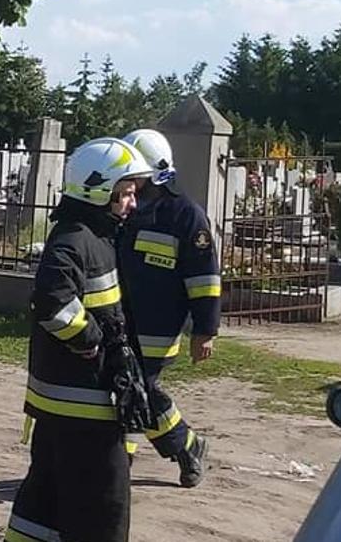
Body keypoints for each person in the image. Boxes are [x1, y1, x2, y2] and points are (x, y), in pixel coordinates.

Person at [6, 137, 154, 542]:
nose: (132, 203)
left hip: (64, 407)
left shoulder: (92, 236)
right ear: (98, 190)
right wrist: (90, 340)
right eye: (124, 194)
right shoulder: (76, 240)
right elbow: (52, 301)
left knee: (45, 501)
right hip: (86, 409)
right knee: (102, 510)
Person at [118, 128, 218, 487]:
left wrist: (205, 330)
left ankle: (187, 446)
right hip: (120, 322)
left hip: (159, 327)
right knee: (125, 389)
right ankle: (121, 463)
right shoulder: (123, 209)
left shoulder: (185, 216)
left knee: (138, 388)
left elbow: (204, 279)